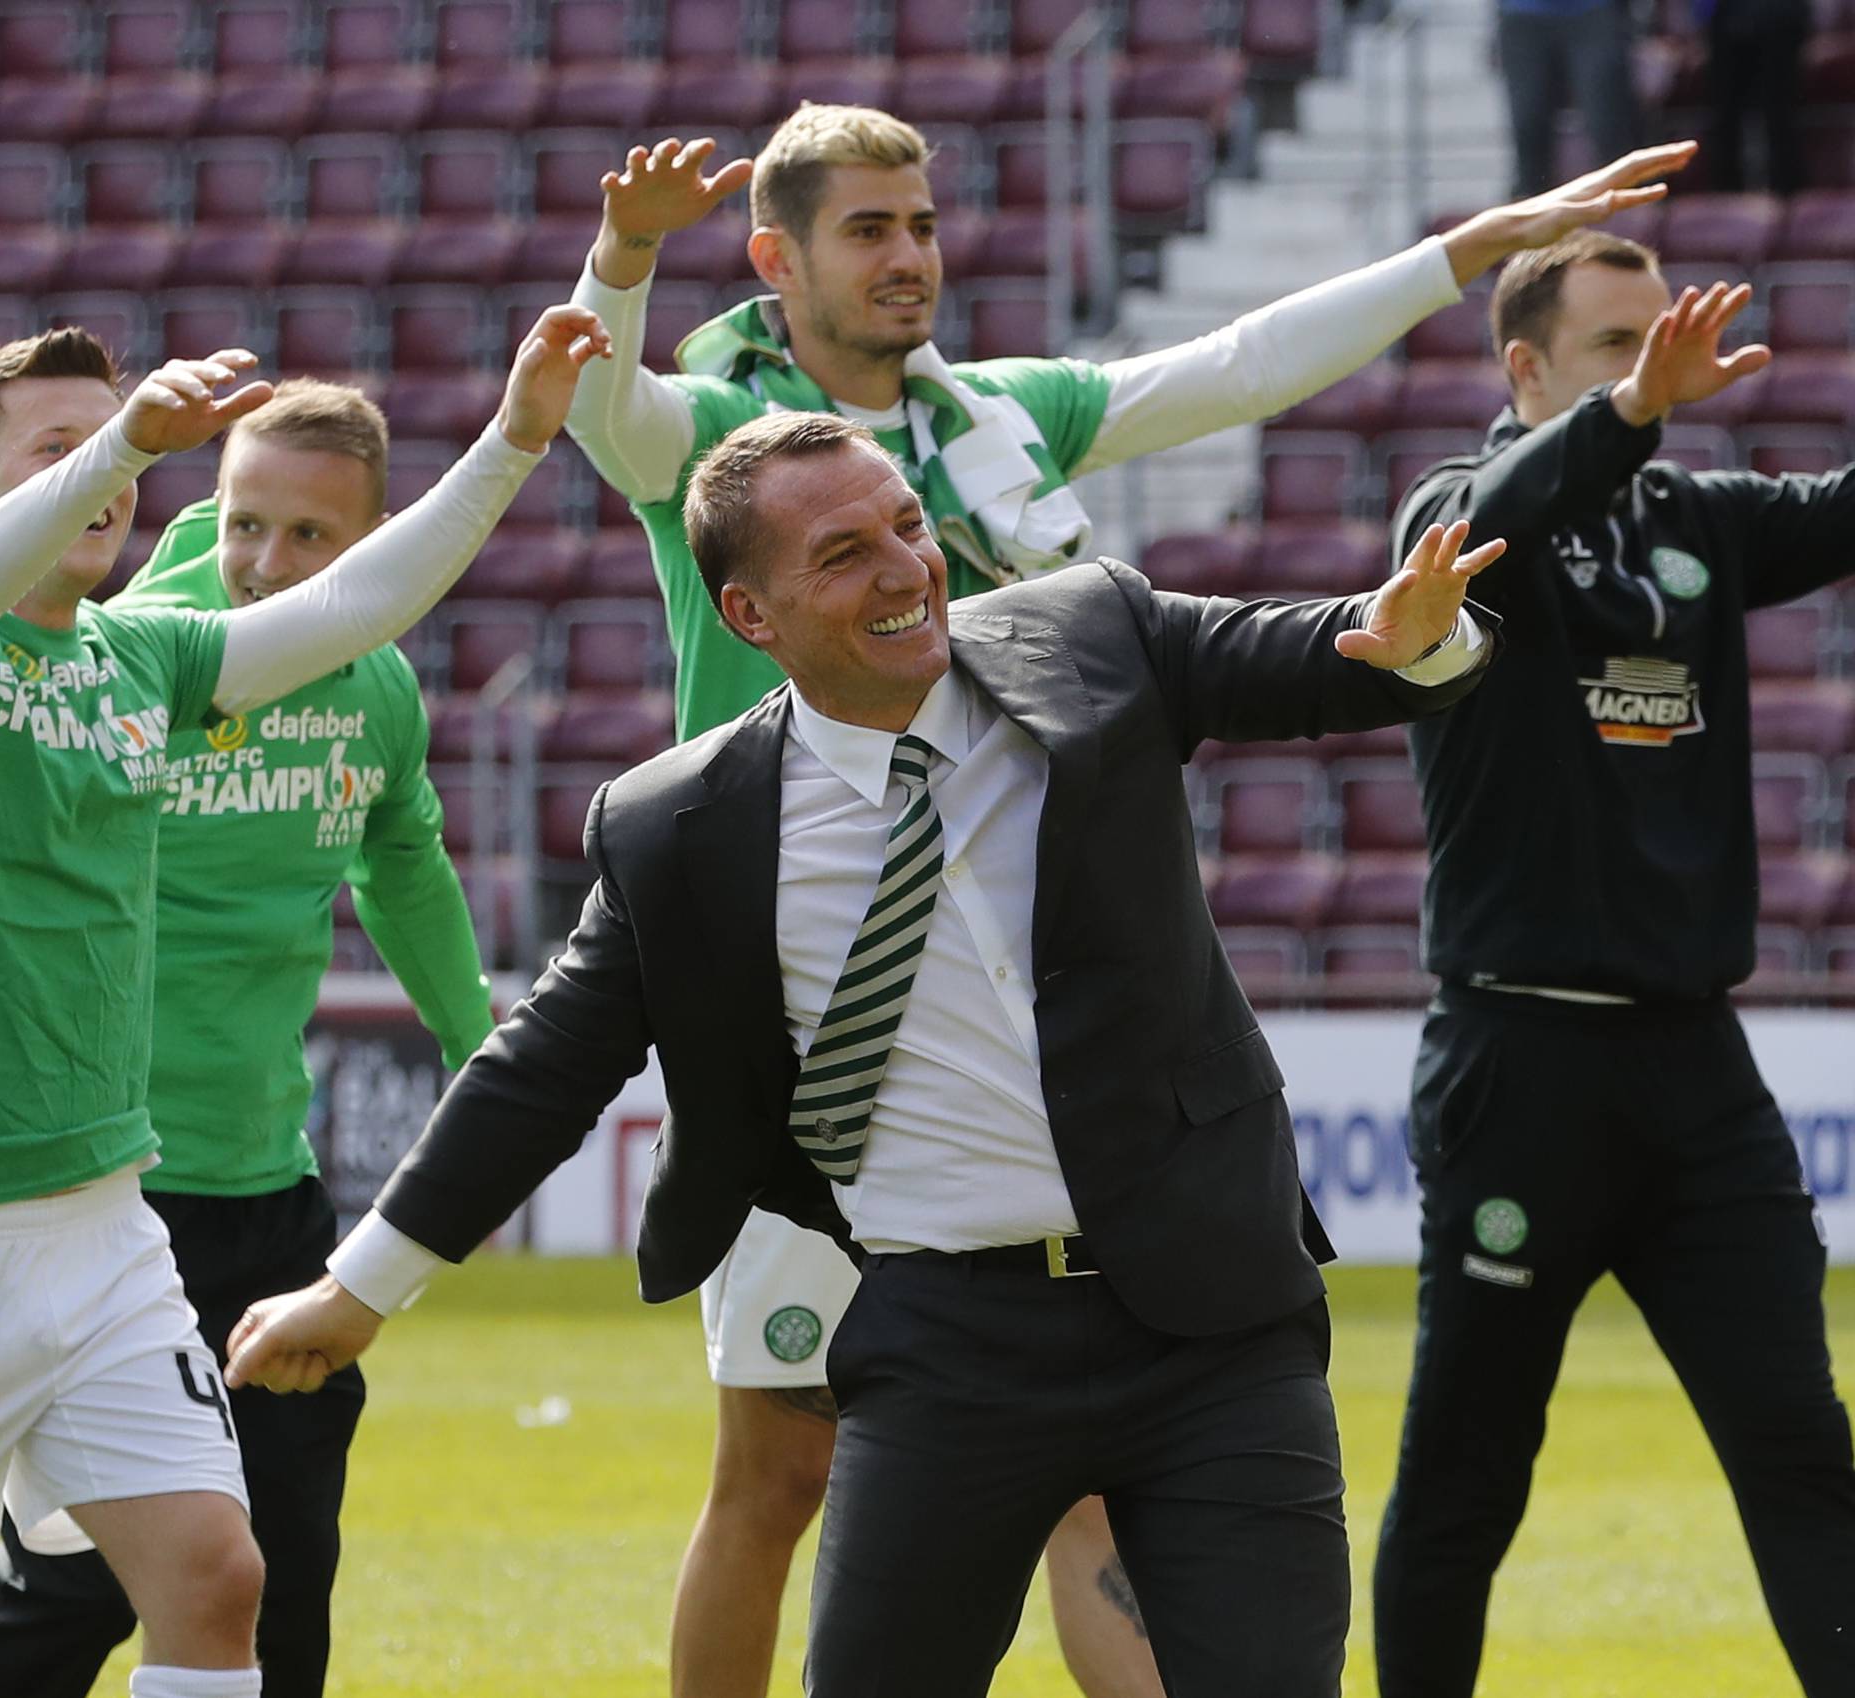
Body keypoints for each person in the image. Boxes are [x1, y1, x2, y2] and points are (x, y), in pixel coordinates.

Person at [560, 101, 1687, 1698]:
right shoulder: (724, 449)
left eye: (923, 223)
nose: (909, 256)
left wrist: (1458, 256)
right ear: (776, 257)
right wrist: (618, 258)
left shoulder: (998, 413)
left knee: (1097, 1463)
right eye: (866, 229)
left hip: (1043, 993)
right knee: (775, 1475)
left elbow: (1233, 368)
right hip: (818, 1014)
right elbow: (593, 406)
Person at [226, 409, 1506, 1698]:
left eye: (907, 524)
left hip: (1212, 1320)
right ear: (750, 616)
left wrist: (1422, 642)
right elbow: (545, 1063)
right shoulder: (679, 827)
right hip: (947, 1341)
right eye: (843, 553)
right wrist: (359, 1287)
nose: (906, 568)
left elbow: (1319, 654)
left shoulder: (1091, 637)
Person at [0, 304, 606, 1698]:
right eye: (52, 450)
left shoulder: (139, 664)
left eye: (107, 449)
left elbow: (366, 604)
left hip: (108, 1222)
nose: (101, 477)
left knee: (220, 1572)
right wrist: (125, 433)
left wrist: (513, 438)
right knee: (47, 1612)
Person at [1370, 230, 1855, 1697]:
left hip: (1694, 1070)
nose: (1659, 362)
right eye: (1616, 345)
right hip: (1521, 1064)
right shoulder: (1456, 513)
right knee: (1467, 1471)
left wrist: (1640, 426)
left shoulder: (1693, 512)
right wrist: (1632, 411)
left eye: (1665, 338)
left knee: (1800, 1446)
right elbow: (1520, 494)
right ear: (1524, 368)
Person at [1497, 0, 1643, 200]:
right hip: (1523, 13)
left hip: (1594, 11)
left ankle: (1628, 207)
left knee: (1607, 123)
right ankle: (1529, 214)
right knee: (1528, 124)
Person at [1700, 0, 1812, 196]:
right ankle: (1727, 202)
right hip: (1728, 15)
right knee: (1725, 119)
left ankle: (1786, 199)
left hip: (1780, 16)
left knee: (1779, 116)